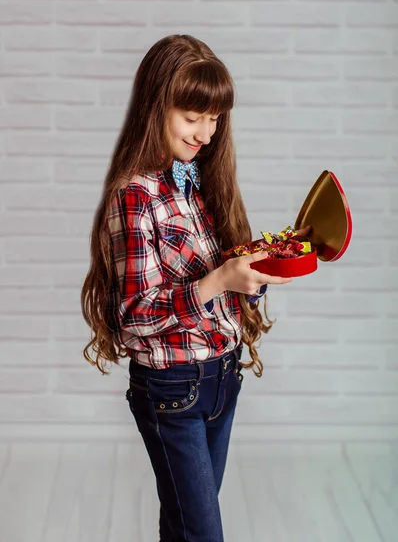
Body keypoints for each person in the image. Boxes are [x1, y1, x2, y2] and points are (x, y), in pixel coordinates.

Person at [81, 34, 307, 542]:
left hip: (222, 379)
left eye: (215, 118)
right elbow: (136, 315)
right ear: (156, 105)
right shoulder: (135, 197)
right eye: (192, 116)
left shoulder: (198, 182)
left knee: (185, 526)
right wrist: (219, 279)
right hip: (173, 389)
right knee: (202, 533)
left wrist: (250, 277)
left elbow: (219, 287)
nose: (205, 132)